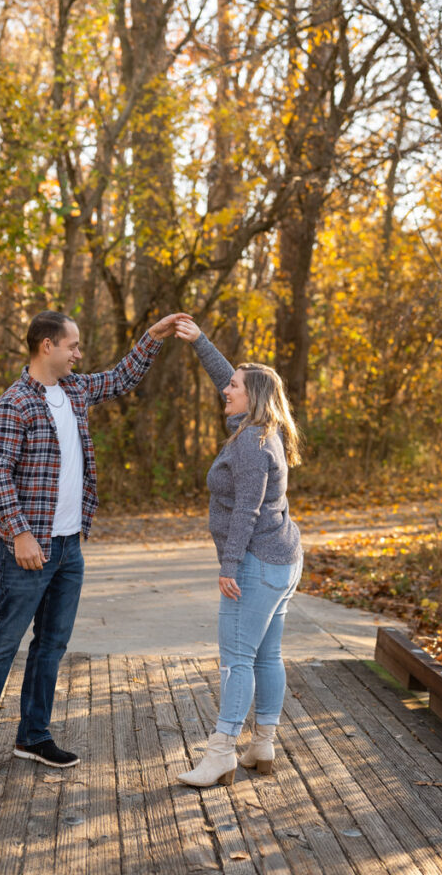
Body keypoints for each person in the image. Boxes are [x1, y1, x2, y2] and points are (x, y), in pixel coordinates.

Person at [0, 309, 186, 774]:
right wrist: (19, 533)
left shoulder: (76, 390)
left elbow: (122, 378)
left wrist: (154, 336)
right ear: (48, 346)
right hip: (27, 547)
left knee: (52, 644)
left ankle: (34, 736)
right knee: (4, 641)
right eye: (73, 346)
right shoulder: (13, 404)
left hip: (69, 545)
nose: (79, 354)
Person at [174, 317, 303, 788]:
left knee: (236, 659)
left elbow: (246, 510)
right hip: (283, 558)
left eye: (233, 387)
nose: (224, 390)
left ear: (253, 398)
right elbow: (234, 380)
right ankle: (262, 744)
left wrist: (229, 567)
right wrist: (201, 343)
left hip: (257, 562)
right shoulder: (263, 427)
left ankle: (221, 752)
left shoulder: (249, 443)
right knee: (267, 656)